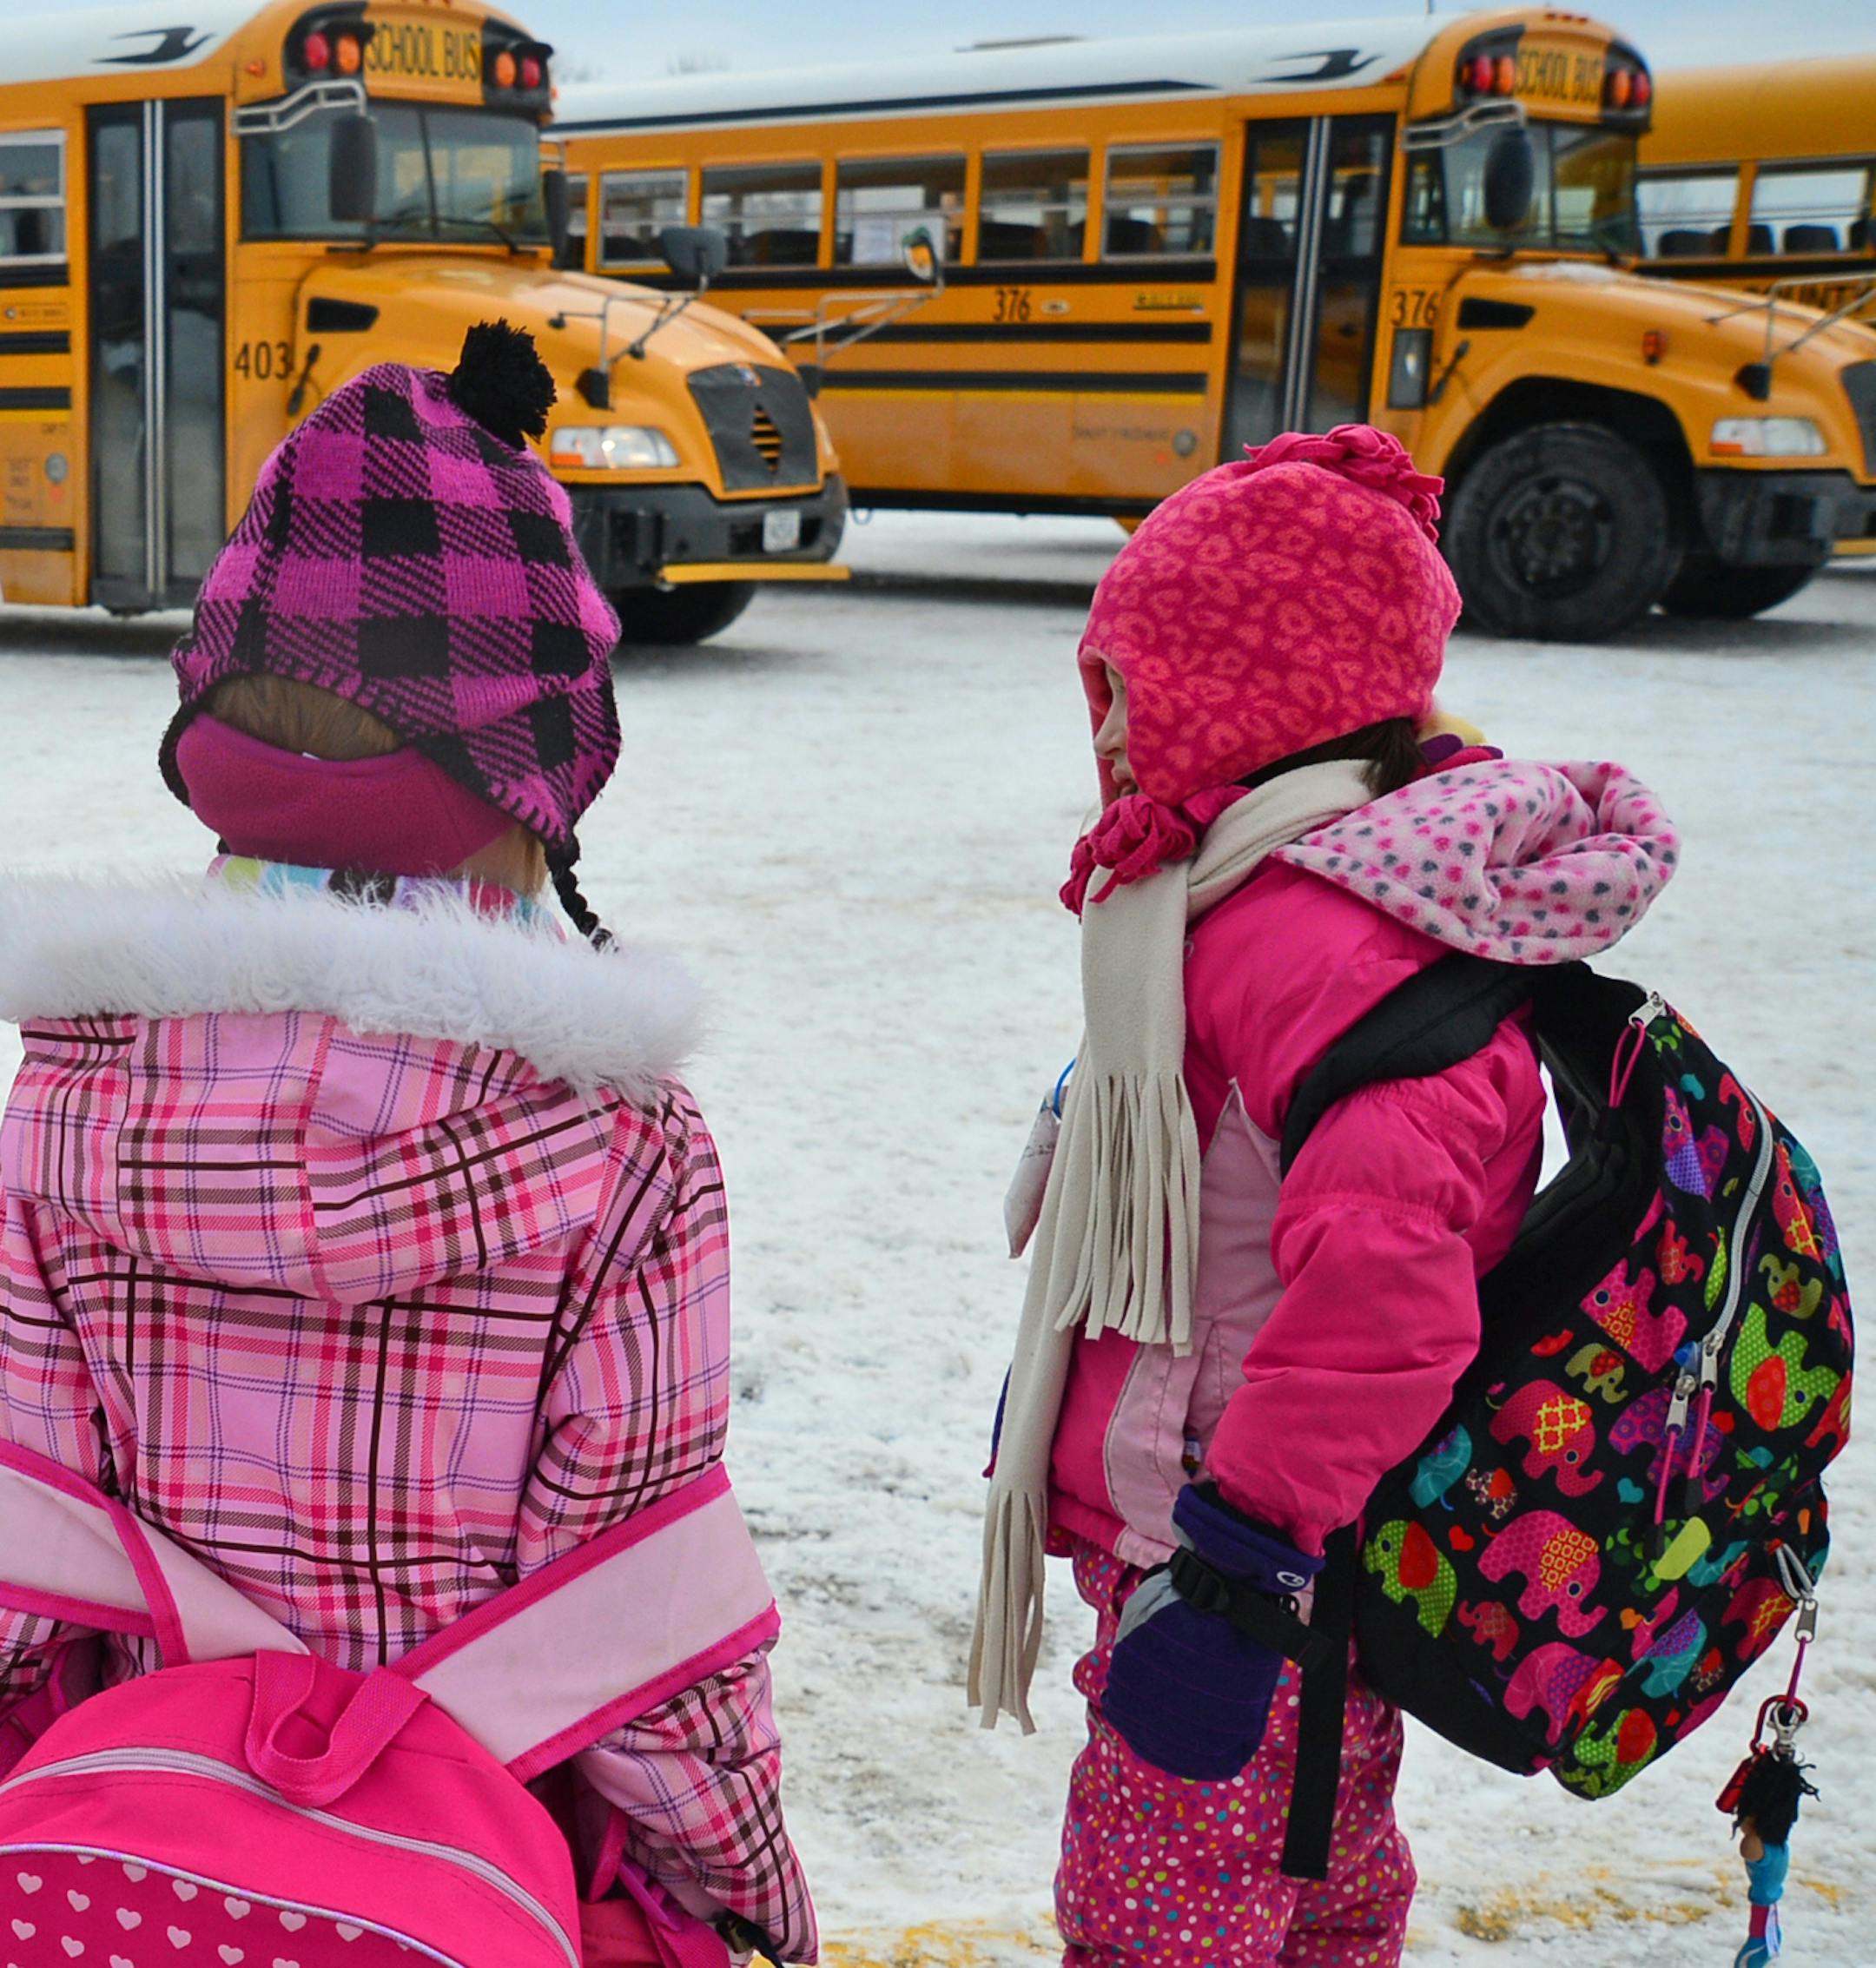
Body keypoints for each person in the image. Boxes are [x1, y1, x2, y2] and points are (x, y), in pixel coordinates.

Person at [0, 326, 816, 1965]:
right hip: (480, 1871)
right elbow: (643, 1637)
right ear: (547, 762)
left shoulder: (69, 1092)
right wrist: (751, 1896)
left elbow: (28, 1562)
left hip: (140, 1877)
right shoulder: (623, 1148)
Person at [971, 425, 1679, 1966]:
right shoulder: (1263, 896)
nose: (1107, 731)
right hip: (1263, 1546)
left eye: (1131, 689)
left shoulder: (1332, 945)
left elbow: (1387, 1284)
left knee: (1166, 1925)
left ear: (1244, 695)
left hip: (1254, 1557)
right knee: (1312, 1894)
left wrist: (1241, 1559)